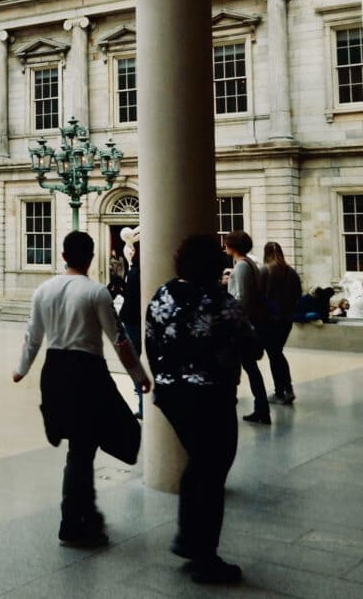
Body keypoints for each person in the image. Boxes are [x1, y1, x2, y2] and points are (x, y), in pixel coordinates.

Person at [12, 230, 150, 549]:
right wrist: (138, 375)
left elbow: (32, 338)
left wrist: (21, 369)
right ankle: (74, 521)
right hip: (86, 372)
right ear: (91, 257)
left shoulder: (44, 290)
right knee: (85, 449)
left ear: (63, 256)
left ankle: (82, 515)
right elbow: (119, 339)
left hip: (55, 370)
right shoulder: (96, 292)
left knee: (80, 448)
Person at [145, 234, 260, 585]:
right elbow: (251, 347)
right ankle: (205, 558)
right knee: (212, 471)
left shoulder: (162, 294)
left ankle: (187, 538)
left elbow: (150, 341)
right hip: (211, 395)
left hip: (171, 395)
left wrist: (166, 376)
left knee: (198, 462)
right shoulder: (220, 301)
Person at [224, 230, 269, 425]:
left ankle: (261, 408)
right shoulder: (248, 264)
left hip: (241, 324)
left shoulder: (242, 266)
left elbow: (242, 298)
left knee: (246, 367)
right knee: (250, 367)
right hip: (249, 321)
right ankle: (261, 407)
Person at [260, 241, 301, 406]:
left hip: (270, 320)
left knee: (274, 355)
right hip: (286, 320)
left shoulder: (265, 271)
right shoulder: (291, 272)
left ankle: (280, 391)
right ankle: (287, 389)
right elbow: (297, 294)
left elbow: (259, 295)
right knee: (278, 354)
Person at [119, 242, 144, 419]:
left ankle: (143, 404)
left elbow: (131, 299)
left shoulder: (135, 271)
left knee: (134, 362)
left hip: (133, 321)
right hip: (139, 320)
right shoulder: (140, 269)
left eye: (133, 249)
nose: (130, 252)